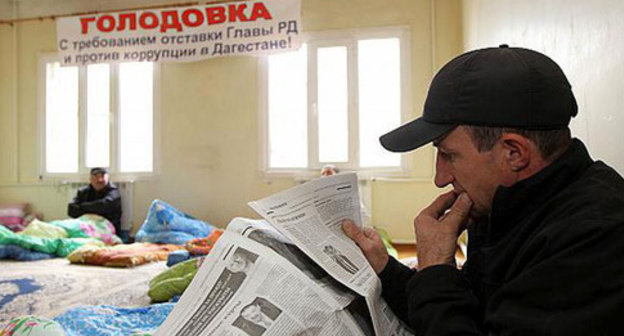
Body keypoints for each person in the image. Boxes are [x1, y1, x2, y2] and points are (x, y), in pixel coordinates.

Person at [342, 45, 624, 335]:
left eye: (449, 155)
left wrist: (437, 267)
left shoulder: (596, 238)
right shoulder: (507, 204)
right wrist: (386, 269)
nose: (440, 178)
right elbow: (467, 312)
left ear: (514, 153)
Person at [67, 167, 123, 236]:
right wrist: (92, 209)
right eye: (96, 176)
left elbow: (103, 206)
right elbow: (71, 209)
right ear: (90, 179)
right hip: (86, 227)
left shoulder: (114, 192)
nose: (99, 180)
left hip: (106, 230)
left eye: (102, 176)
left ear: (108, 178)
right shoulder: (83, 191)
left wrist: (82, 207)